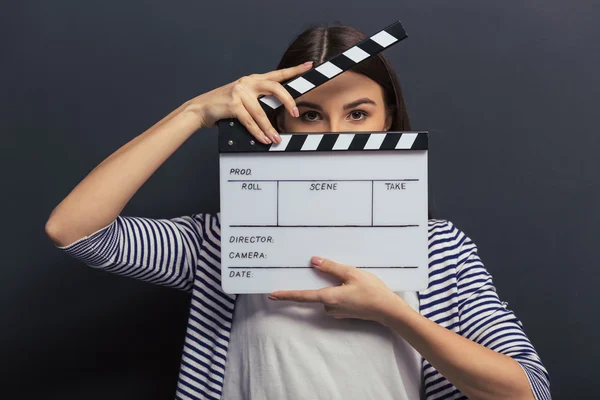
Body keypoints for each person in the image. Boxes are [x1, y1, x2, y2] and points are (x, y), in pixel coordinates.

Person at [45, 24, 551, 400]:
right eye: (310, 115)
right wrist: (195, 113)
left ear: (388, 121)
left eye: (357, 113)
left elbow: (526, 391)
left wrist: (393, 313)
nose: (334, 133)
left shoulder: (439, 247)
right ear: (281, 126)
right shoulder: (224, 242)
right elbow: (74, 230)